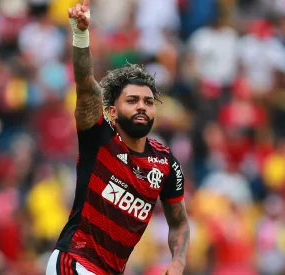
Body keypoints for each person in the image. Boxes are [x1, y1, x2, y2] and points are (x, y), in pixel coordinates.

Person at [45, 0, 190, 274]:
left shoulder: (165, 163)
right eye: (132, 100)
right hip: (75, 261)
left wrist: (178, 260)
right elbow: (86, 84)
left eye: (148, 102)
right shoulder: (99, 137)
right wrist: (80, 34)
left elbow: (179, 222)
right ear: (112, 111)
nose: (141, 107)